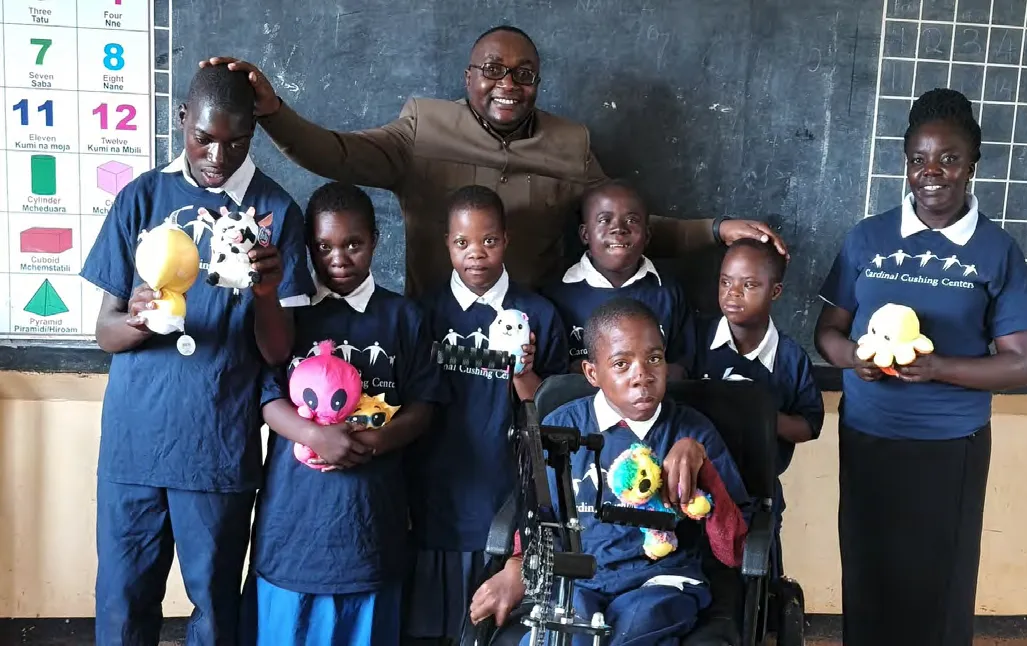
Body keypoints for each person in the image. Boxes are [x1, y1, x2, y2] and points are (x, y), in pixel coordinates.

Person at [198, 25, 787, 298]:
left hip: (529, 338)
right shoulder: (423, 127)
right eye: (493, 70)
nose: (508, 84)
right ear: (468, 78)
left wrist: (714, 229)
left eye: (524, 74)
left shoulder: (570, 144)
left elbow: (624, 230)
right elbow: (338, 154)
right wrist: (275, 112)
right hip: (436, 331)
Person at [80, 65, 314, 645]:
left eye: (236, 141)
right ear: (182, 119)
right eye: (204, 137)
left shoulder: (275, 211)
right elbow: (105, 332)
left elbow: (278, 351)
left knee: (213, 604)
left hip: (217, 448)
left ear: (253, 133)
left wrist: (266, 293)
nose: (217, 155)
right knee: (123, 603)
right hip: (134, 445)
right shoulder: (142, 198)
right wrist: (137, 318)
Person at [815, 88, 1027, 645]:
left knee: (940, 586)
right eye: (919, 159)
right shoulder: (868, 237)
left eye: (949, 159)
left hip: (950, 446)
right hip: (868, 435)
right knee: (868, 574)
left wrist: (938, 366)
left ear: (972, 165)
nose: (931, 172)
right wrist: (855, 359)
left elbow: (1021, 366)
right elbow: (828, 334)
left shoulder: (996, 251)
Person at [468, 298, 749, 646]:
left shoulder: (692, 432)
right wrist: (516, 568)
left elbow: (734, 551)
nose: (642, 376)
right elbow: (537, 515)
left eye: (654, 359)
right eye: (621, 364)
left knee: (639, 624)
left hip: (659, 580)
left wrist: (702, 465)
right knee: (560, 633)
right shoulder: (560, 426)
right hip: (577, 579)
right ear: (592, 373)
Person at [244, 182, 445, 645]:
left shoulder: (404, 317)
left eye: (353, 244)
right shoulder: (287, 316)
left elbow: (424, 405)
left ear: (376, 240)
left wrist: (373, 442)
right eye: (323, 247)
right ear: (307, 246)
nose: (338, 258)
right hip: (294, 522)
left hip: (370, 522)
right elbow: (268, 397)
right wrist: (315, 436)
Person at [405, 185, 569, 644]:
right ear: (446, 243)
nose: (476, 253)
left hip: (503, 496)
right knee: (429, 629)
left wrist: (524, 372)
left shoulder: (537, 314)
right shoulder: (422, 313)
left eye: (489, 241)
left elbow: (552, 415)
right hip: (435, 493)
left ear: (506, 240)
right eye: (462, 242)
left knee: (487, 629)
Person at [693, 239, 823, 577]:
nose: (733, 293)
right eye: (725, 282)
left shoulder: (790, 358)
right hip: (696, 485)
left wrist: (758, 416)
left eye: (749, 285)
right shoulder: (696, 339)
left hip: (758, 491)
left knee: (758, 577)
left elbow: (809, 425)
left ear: (775, 291)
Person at [542, 180, 695, 379]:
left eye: (631, 220)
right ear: (585, 234)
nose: (618, 229)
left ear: (647, 235)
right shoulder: (556, 296)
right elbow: (554, 378)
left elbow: (681, 369)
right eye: (605, 220)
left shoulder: (667, 292)